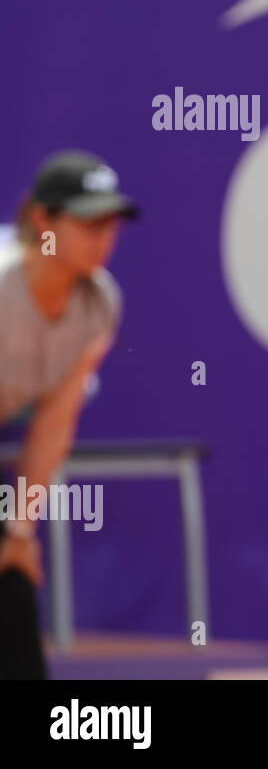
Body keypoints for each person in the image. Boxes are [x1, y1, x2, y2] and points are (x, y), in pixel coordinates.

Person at [0, 150, 136, 679]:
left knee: (13, 584)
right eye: (86, 221)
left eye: (109, 222)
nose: (102, 235)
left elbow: (54, 424)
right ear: (42, 221)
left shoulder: (99, 306)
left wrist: (17, 531)